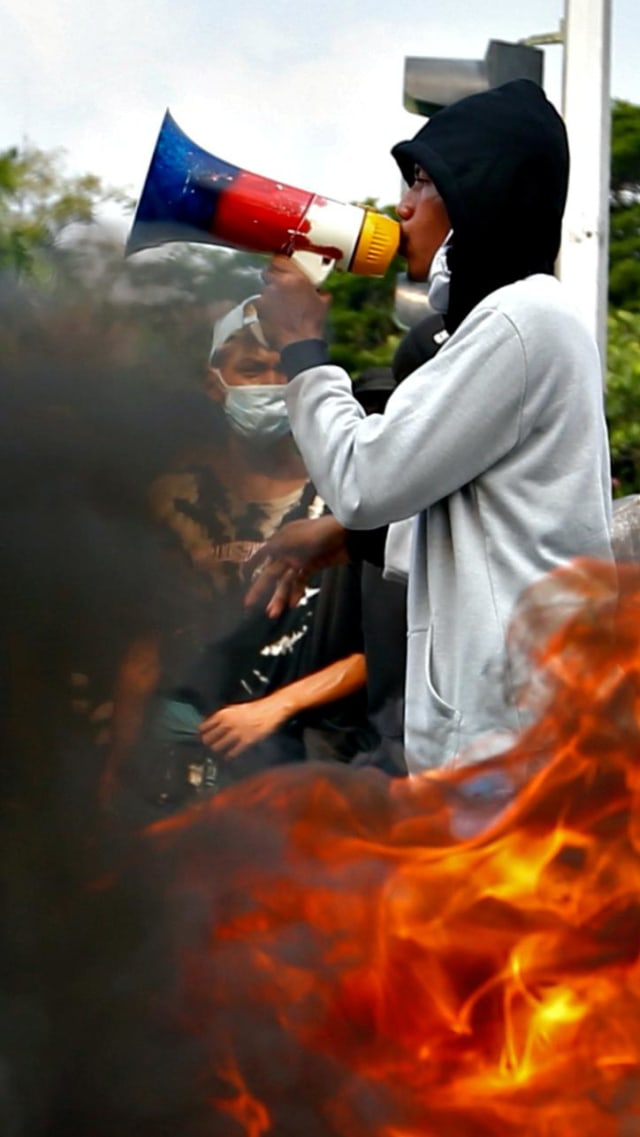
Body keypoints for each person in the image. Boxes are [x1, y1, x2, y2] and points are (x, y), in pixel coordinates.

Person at [254, 79, 613, 775]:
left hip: (511, 757)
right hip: (513, 748)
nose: (402, 205)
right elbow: (491, 532)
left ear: (482, 191)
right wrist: (346, 536)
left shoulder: (521, 319)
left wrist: (302, 348)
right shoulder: (518, 320)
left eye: (423, 181)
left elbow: (363, 477)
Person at [102, 296, 370, 812]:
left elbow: (384, 650)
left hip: (305, 761)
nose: (271, 384)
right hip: (182, 758)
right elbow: (148, 642)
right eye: (251, 369)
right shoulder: (175, 498)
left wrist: (276, 706)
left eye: (284, 369)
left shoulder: (349, 496)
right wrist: (119, 765)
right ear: (214, 384)